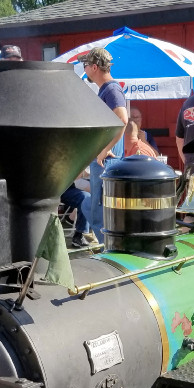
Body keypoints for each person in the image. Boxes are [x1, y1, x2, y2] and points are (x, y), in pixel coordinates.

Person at [79, 47, 127, 246]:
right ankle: (108, 243)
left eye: (85, 65)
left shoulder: (111, 89)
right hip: (104, 160)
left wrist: (106, 150)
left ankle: (109, 247)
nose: (84, 69)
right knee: (89, 205)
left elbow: (123, 119)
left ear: (94, 67)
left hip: (107, 161)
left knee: (98, 209)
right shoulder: (106, 90)